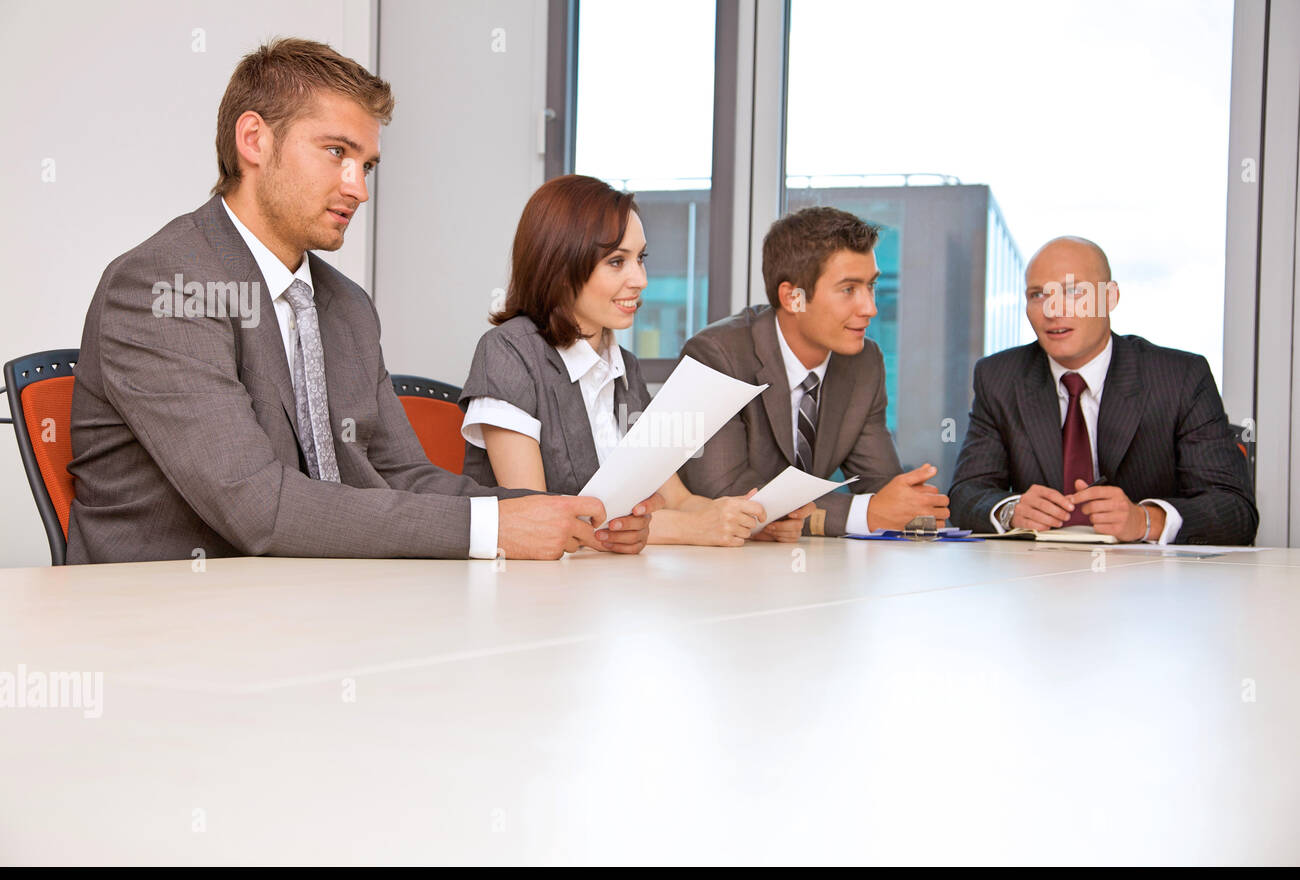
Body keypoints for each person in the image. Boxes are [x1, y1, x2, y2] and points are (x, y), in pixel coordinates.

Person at [65, 39, 658, 564]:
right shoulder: (163, 287)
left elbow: (400, 474)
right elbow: (256, 506)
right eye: (336, 153)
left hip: (310, 604)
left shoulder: (344, 304)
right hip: (164, 618)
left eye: (367, 165)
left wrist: (568, 516)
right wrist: (492, 527)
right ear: (254, 140)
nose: (359, 187)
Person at [459, 174, 805, 546]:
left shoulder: (624, 367)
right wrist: (690, 529)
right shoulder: (508, 352)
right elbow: (538, 518)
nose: (639, 279)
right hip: (530, 594)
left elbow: (678, 498)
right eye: (616, 261)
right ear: (560, 267)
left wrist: (748, 521)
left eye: (640, 259)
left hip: (605, 590)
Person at [948, 236, 1257, 545]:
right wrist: (1011, 511)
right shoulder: (999, 378)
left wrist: (1146, 520)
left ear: (1110, 298)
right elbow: (965, 494)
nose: (1052, 310)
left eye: (1072, 292)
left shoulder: (1181, 377)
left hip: (1150, 582)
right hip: (1036, 579)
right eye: (1038, 294)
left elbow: (1235, 511)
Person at [679, 206, 949, 537]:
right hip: (721, 571)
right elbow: (724, 490)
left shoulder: (864, 363)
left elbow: (880, 487)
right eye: (849, 289)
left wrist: (910, 505)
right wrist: (863, 513)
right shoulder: (717, 355)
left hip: (812, 571)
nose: (870, 308)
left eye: (871, 286)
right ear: (793, 298)